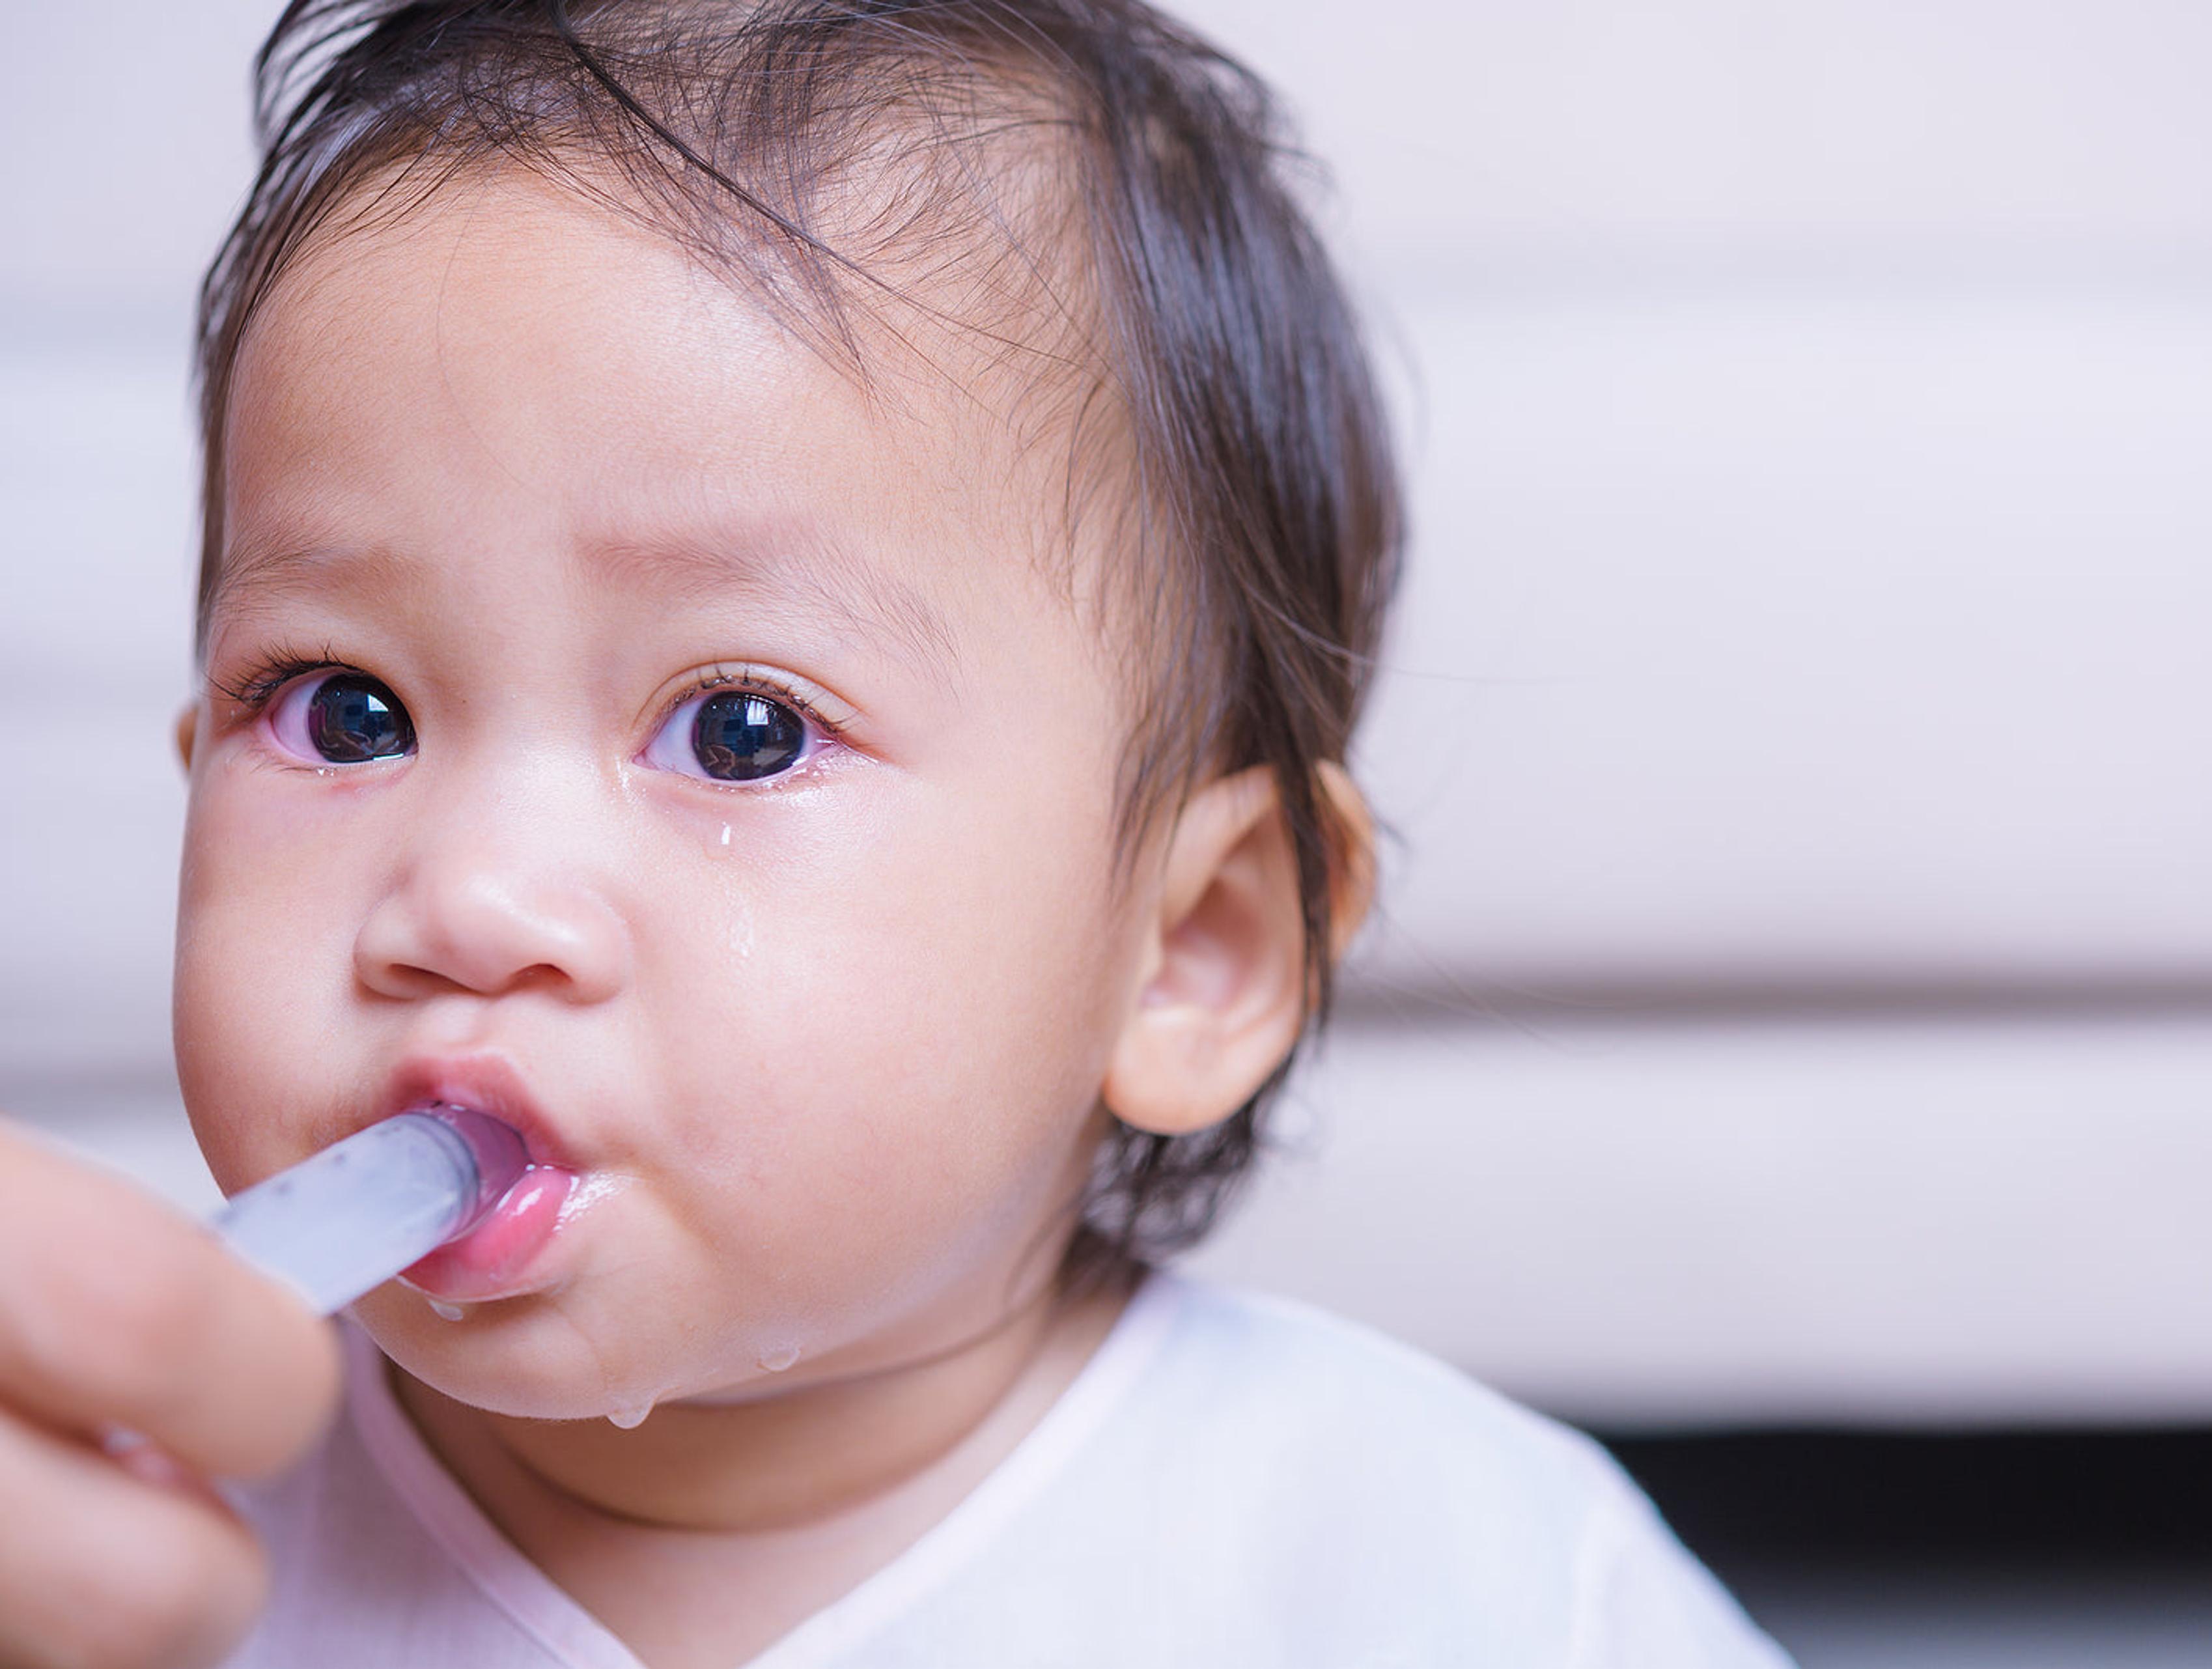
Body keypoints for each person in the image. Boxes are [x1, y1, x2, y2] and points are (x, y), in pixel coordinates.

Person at [0, 3, 1791, 1664]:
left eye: (743, 730)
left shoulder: (1460, 1579)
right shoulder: (104, 1536)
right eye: (343, 710)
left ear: (1190, 947)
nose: (466, 895)